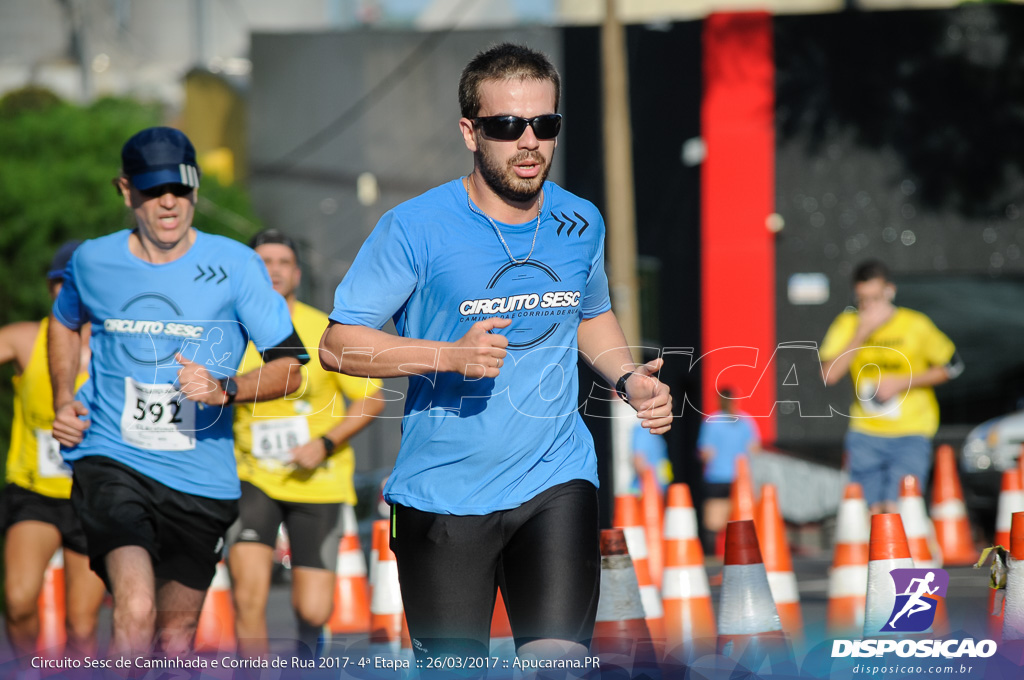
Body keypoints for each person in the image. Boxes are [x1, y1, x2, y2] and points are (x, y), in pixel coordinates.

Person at [319, 43, 673, 667]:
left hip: (555, 478)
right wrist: (447, 357)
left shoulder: (581, 221)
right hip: (442, 495)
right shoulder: (415, 227)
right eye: (508, 126)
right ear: (471, 132)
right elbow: (338, 344)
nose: (529, 141)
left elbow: (589, 313)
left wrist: (626, 378)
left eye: (546, 124)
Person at [48, 126, 309, 660]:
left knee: (172, 640)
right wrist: (61, 399)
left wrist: (225, 388)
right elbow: (62, 321)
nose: (168, 202)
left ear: (194, 190)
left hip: (201, 478)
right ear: (126, 191)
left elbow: (290, 369)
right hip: (112, 457)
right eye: (152, 189)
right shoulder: (93, 261)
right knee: (136, 610)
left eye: (180, 189)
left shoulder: (237, 265)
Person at [229, 229, 384, 659]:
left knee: (312, 608)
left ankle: (305, 665)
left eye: (282, 262)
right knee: (247, 597)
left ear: (296, 273)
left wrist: (326, 443)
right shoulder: (232, 332)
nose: (273, 270)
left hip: (319, 479)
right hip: (252, 476)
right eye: (262, 263)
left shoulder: (322, 330)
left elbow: (372, 398)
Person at [0, 241, 106, 662]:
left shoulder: (114, 347)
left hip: (95, 495)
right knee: (19, 599)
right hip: (35, 493)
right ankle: (27, 671)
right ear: (51, 289)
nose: (72, 292)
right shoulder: (27, 339)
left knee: (81, 625)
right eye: (63, 283)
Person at [820, 260, 961, 514]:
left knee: (900, 508)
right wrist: (862, 332)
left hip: (911, 430)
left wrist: (903, 381)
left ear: (890, 291)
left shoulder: (915, 324)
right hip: (866, 432)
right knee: (868, 512)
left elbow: (952, 366)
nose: (870, 306)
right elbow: (829, 374)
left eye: (876, 298)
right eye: (863, 300)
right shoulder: (848, 324)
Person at [697, 387, 760, 551]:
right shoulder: (745, 421)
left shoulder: (711, 422)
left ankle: (712, 559)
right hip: (740, 478)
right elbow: (755, 449)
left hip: (717, 477)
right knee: (741, 520)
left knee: (713, 523)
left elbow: (706, 453)